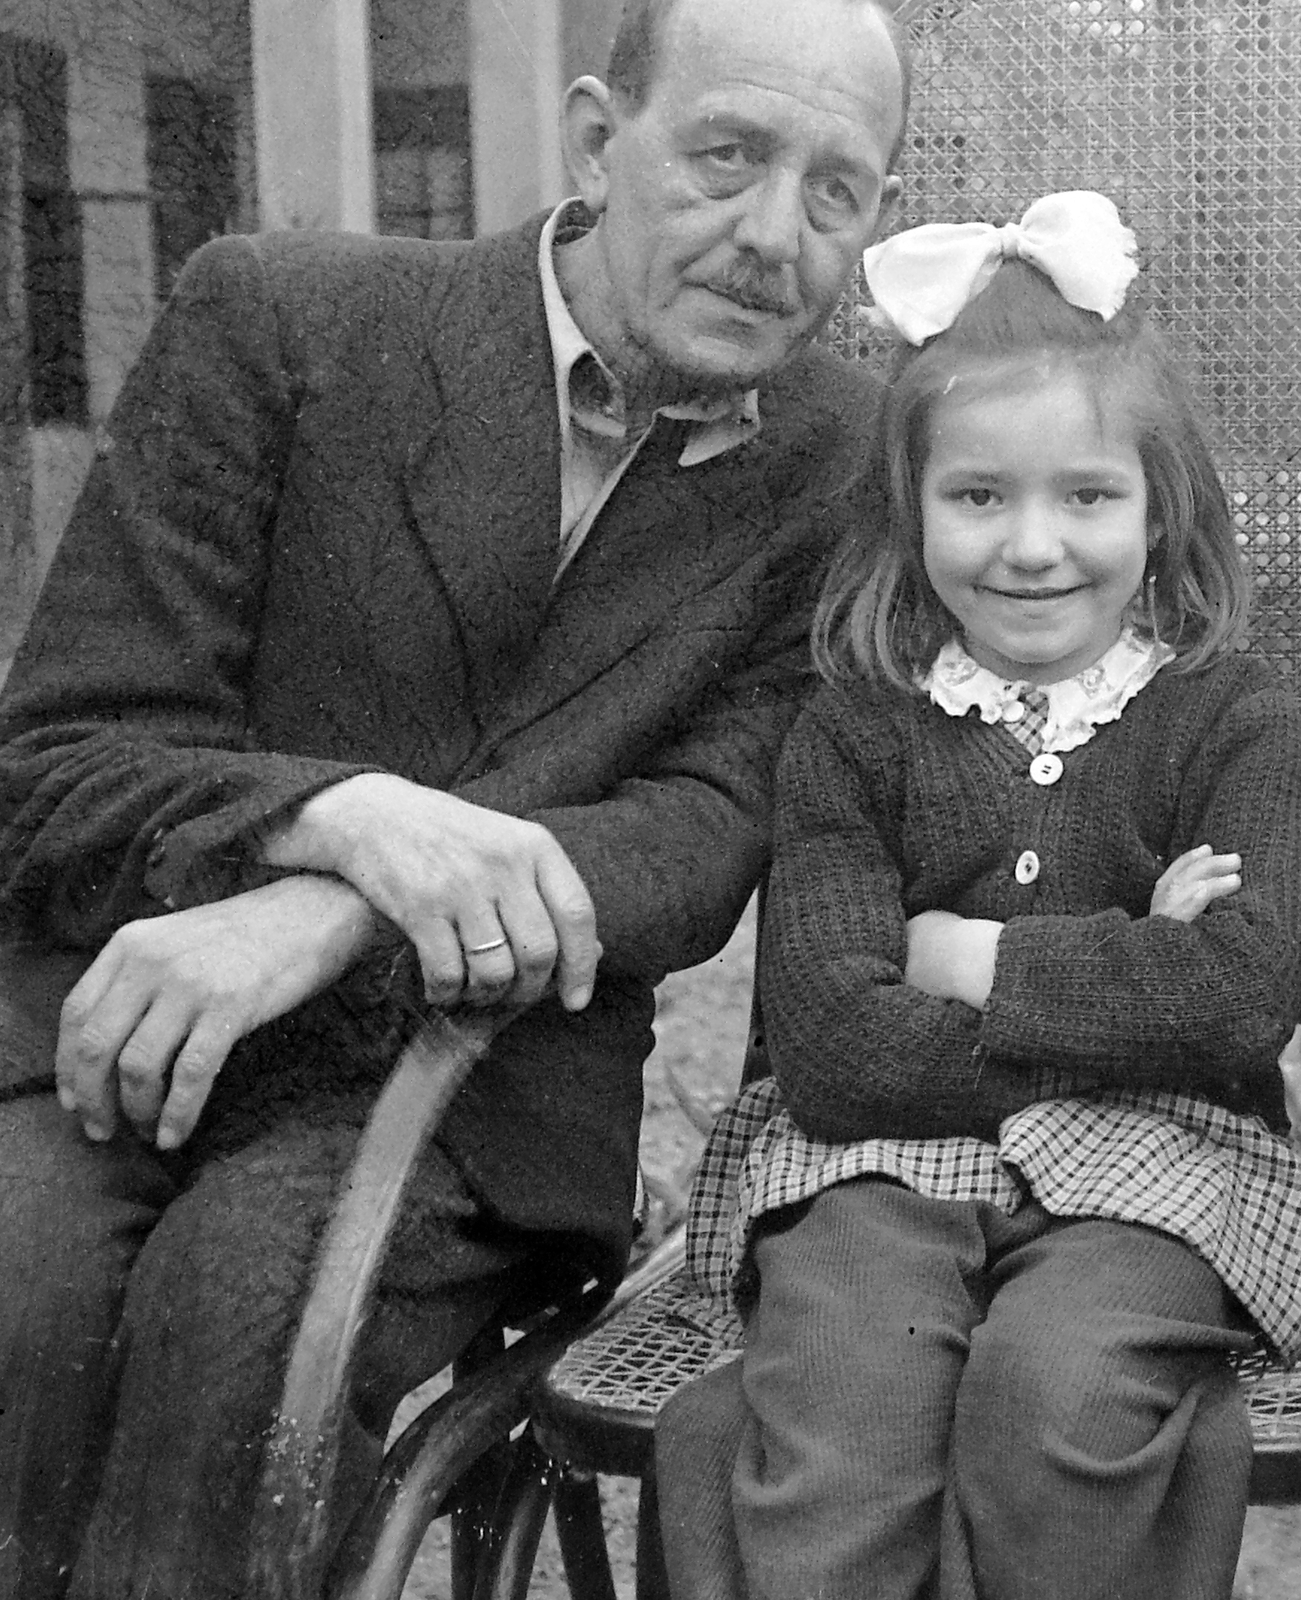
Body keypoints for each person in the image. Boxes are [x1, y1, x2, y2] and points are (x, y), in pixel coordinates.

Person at [0, 2, 910, 1595]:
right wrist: (346, 819)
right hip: (126, 1017)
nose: (774, 235)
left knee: (251, 1327)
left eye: (833, 190)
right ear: (594, 140)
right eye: (725, 157)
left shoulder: (849, 465)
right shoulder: (281, 321)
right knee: (20, 1290)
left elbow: (701, 835)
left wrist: (343, 903)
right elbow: (59, 757)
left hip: (479, 1091)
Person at [655, 193, 1301, 1600]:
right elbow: (832, 1046)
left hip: (1158, 1178)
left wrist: (961, 961)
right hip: (869, 1168)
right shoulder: (855, 729)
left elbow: (1242, 999)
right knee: (845, 1417)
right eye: (978, 496)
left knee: (1057, 1399)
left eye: (1087, 496)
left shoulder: (1235, 720)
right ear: (910, 512)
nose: (1032, 546)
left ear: (1161, 507)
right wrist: (1131, 978)